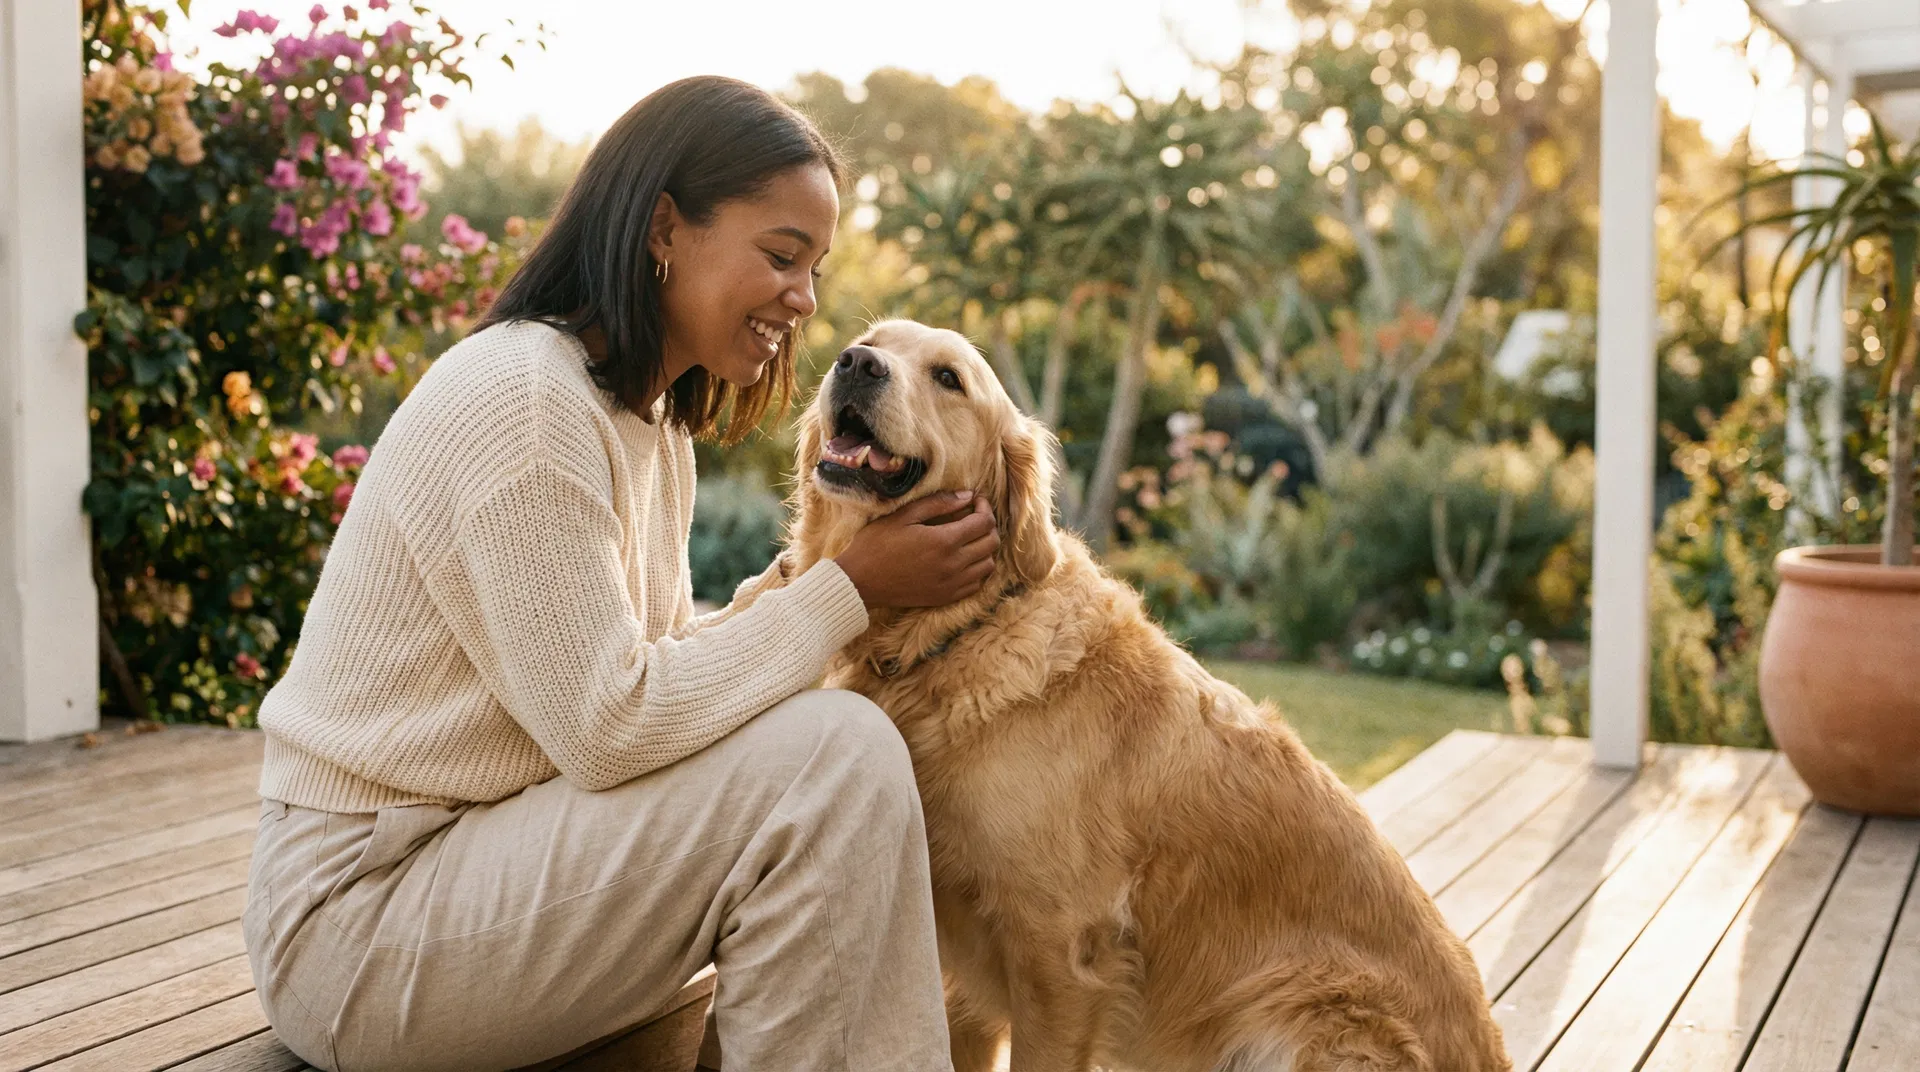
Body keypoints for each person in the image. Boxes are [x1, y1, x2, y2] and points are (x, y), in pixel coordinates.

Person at [243, 75, 996, 1072]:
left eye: (814, 269)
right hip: (360, 921)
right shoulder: (526, 402)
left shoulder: (649, 426)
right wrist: (847, 588)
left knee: (824, 749)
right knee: (836, 753)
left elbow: (652, 670)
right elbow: (608, 727)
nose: (805, 302)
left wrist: (798, 584)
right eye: (780, 256)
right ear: (664, 229)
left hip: (472, 865)